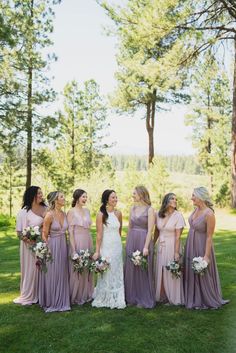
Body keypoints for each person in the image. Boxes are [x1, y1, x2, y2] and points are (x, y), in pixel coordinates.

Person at [184, 186, 229, 309]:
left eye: (193, 195)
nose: (191, 198)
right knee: (191, 269)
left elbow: (209, 236)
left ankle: (204, 298)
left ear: (201, 197)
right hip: (190, 243)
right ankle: (192, 296)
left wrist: (206, 256)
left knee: (202, 270)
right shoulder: (195, 209)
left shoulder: (209, 214)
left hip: (201, 244)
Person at [92, 189, 126, 309]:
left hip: (116, 245)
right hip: (106, 245)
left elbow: (120, 231)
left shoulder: (118, 213)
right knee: (107, 270)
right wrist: (97, 251)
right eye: (113, 197)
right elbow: (99, 235)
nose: (115, 200)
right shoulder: (100, 214)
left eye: (116, 197)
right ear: (107, 199)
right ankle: (105, 296)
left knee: (116, 269)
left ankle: (117, 296)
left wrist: (118, 243)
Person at [14, 186, 46, 305]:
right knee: (31, 269)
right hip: (29, 246)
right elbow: (19, 233)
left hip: (44, 243)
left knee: (43, 268)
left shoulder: (45, 208)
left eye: (41, 192)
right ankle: (30, 293)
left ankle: (42, 292)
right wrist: (30, 240)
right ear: (32, 195)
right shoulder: (23, 212)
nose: (41, 195)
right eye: (38, 193)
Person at [39, 191, 71, 313]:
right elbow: (44, 234)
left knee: (62, 271)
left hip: (63, 245)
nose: (64, 198)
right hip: (53, 246)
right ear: (55, 200)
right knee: (53, 272)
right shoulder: (49, 215)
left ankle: (63, 300)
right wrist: (46, 249)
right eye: (62, 196)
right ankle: (52, 301)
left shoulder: (64, 213)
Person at [124, 185, 155, 308]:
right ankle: (131, 296)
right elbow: (129, 227)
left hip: (143, 239)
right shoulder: (132, 208)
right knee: (131, 267)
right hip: (133, 238)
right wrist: (127, 243)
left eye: (134, 194)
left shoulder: (150, 210)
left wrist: (146, 247)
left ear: (141, 195)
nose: (133, 196)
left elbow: (150, 230)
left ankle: (143, 297)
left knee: (142, 268)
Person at [154, 193, 185, 305]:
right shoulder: (159, 214)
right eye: (172, 198)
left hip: (172, 245)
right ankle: (162, 295)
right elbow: (157, 231)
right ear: (166, 200)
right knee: (161, 269)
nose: (175, 200)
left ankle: (173, 297)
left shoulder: (178, 216)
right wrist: (152, 244)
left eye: (176, 199)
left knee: (171, 270)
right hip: (161, 246)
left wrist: (176, 253)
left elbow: (178, 236)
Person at [67, 189, 93, 305]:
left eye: (86, 197)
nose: (85, 199)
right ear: (77, 198)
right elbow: (70, 232)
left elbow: (89, 229)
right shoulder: (71, 212)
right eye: (83, 197)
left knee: (87, 267)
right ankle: (76, 295)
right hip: (77, 241)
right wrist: (73, 250)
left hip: (87, 240)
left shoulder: (87, 211)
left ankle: (86, 293)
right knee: (77, 268)